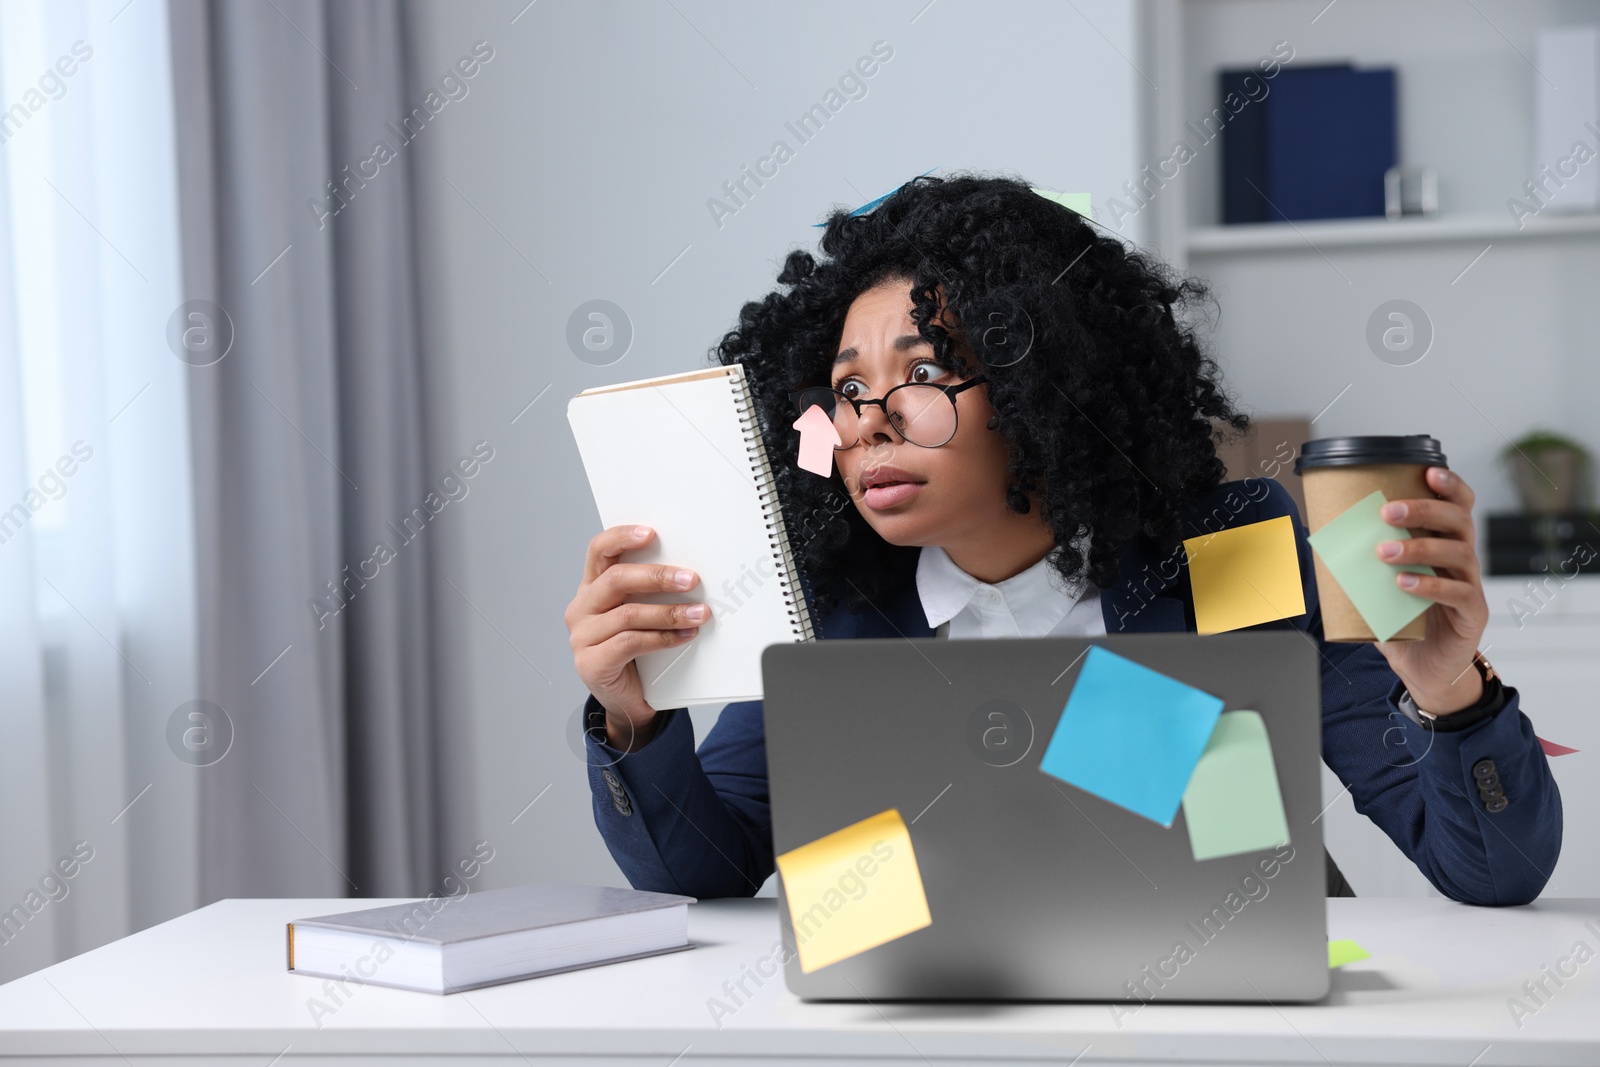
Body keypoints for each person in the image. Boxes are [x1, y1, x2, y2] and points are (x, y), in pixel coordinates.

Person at [563, 172, 1561, 906]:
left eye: (921, 373)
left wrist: (1448, 694)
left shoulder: (1231, 552)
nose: (867, 420)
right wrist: (632, 717)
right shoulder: (839, 603)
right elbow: (717, 863)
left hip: (1223, 1018)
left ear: (1043, 383)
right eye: (850, 387)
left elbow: (1487, 869)